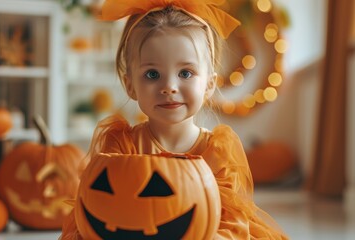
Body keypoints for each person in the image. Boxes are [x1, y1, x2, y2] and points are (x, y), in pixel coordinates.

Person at [61, 0, 288, 239]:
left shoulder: (217, 152)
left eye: (185, 73)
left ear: (209, 84)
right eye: (152, 74)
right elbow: (99, 207)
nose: (169, 87)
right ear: (130, 85)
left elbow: (232, 226)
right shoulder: (121, 145)